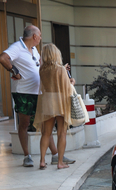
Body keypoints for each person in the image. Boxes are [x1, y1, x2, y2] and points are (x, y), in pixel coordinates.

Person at [0, 26, 75, 167]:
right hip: (23, 93)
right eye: (39, 35)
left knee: (45, 125)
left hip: (40, 93)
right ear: (34, 36)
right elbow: (3, 58)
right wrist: (14, 71)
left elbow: (44, 67)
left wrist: (60, 69)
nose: (40, 38)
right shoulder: (17, 47)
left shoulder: (34, 50)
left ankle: (55, 155)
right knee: (25, 123)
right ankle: (27, 156)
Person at [33, 44, 75, 169]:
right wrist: (72, 81)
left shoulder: (42, 70)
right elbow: (67, 87)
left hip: (47, 101)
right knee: (61, 132)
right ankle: (60, 162)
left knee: (46, 133)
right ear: (56, 54)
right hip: (60, 102)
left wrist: (63, 69)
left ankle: (42, 161)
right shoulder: (60, 69)